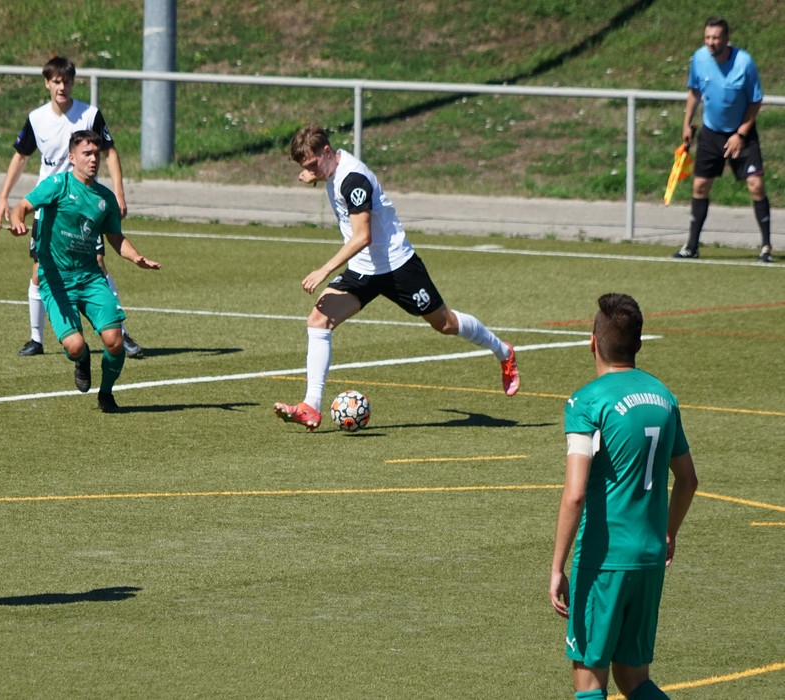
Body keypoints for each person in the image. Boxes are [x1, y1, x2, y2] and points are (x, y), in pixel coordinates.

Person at [273, 124, 520, 430]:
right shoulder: (331, 169)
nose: (311, 171)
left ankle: (503, 351)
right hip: (363, 270)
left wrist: (324, 270)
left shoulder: (354, 180)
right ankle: (311, 406)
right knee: (318, 320)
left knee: (445, 324)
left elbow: (362, 236)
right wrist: (316, 174)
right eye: (306, 167)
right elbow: (331, 186)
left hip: (397, 266)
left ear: (327, 151)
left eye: (313, 164)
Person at [549, 293, 698, 700]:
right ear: (639, 344)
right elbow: (688, 479)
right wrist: (669, 533)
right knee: (635, 679)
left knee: (589, 680)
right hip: (649, 556)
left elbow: (575, 494)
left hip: (604, 559)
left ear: (592, 342)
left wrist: (557, 567)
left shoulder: (586, 401)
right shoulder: (664, 397)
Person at [0, 55, 145, 357]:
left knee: (98, 265)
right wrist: (3, 197)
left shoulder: (89, 115)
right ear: (47, 83)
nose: (62, 87)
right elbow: (21, 156)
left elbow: (110, 152)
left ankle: (121, 332)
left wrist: (119, 192)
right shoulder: (37, 118)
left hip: (86, 208)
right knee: (39, 269)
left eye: (67, 81)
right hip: (50, 209)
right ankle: (36, 339)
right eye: (56, 82)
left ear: (73, 83)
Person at [8, 130, 160, 412]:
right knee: (76, 346)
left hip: (90, 278)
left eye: (96, 154)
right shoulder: (58, 185)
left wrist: (136, 257)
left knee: (114, 341)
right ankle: (82, 359)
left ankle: (106, 393)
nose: (93, 159)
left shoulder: (105, 198)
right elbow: (22, 206)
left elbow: (116, 238)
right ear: (72, 157)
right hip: (56, 280)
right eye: (86, 154)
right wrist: (17, 221)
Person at [673, 17, 772, 262]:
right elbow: (694, 92)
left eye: (716, 38)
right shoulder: (699, 58)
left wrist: (741, 134)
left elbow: (755, 101)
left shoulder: (744, 63)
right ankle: (691, 246)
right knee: (699, 186)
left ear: (726, 39)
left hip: (742, 133)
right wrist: (686, 123)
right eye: (707, 37)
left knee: (756, 185)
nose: (711, 42)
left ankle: (766, 247)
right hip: (711, 133)